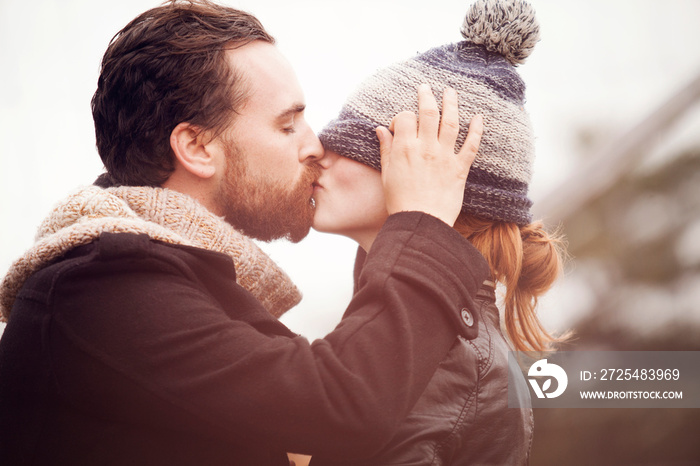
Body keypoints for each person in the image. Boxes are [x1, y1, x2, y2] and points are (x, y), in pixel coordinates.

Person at [0, 1, 487, 465]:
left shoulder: (157, 276)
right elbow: (339, 405)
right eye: (287, 125)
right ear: (196, 147)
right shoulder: (101, 291)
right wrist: (421, 221)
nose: (315, 143)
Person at [310, 0, 566, 464]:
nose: (319, 152)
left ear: (437, 177)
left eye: (355, 142)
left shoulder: (438, 357)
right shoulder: (416, 328)